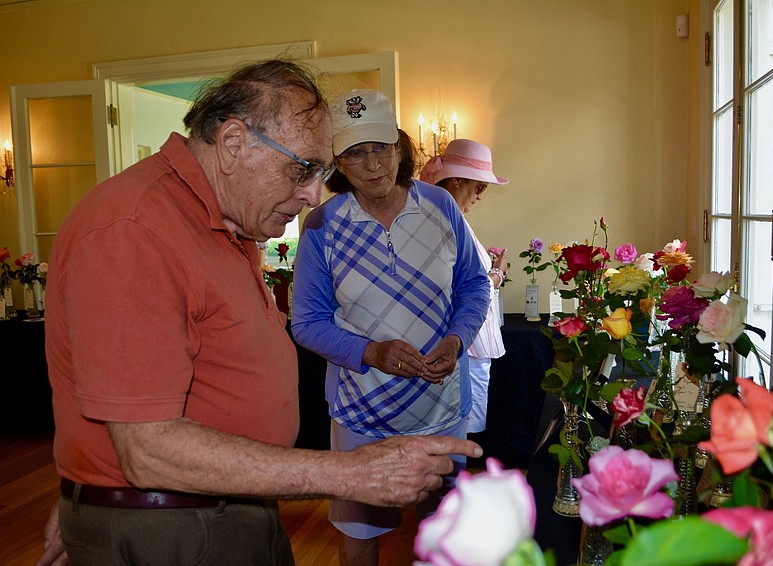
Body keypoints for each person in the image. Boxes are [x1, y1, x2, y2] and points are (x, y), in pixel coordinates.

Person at [36, 61, 481, 566]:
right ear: (233, 144)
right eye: (303, 168)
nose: (312, 195)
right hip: (175, 520)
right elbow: (147, 448)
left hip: (223, 505)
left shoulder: (226, 220)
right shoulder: (135, 227)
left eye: (320, 173)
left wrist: (92, 490)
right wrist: (349, 473)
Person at [290, 89, 490, 566]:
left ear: (400, 147)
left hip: (441, 407)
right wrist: (371, 352)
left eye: (381, 147)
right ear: (337, 163)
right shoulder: (321, 225)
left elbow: (474, 285)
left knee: (445, 528)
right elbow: (307, 322)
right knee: (359, 529)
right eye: (355, 152)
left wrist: (457, 338)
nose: (373, 164)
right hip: (361, 412)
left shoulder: (441, 206)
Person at [420, 139, 510, 434]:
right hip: (464, 344)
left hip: (467, 342)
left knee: (460, 429)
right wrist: (496, 274)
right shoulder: (446, 219)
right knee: (461, 430)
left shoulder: (447, 218)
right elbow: (458, 287)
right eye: (479, 187)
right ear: (457, 180)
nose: (480, 196)